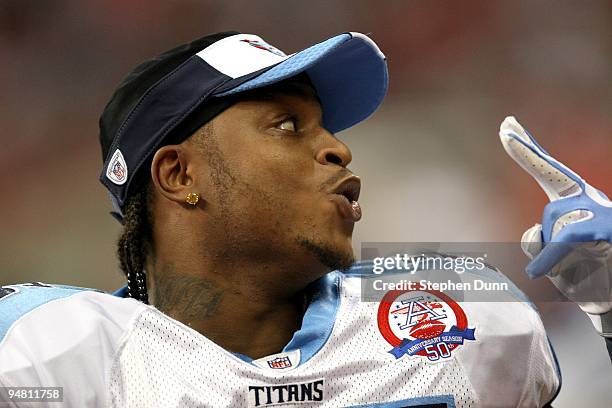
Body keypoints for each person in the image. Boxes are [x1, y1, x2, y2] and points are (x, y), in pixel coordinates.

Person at [0, 30, 609, 407]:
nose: (339, 150)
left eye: (328, 128)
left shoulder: (457, 319)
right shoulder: (50, 356)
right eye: (287, 125)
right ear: (178, 175)